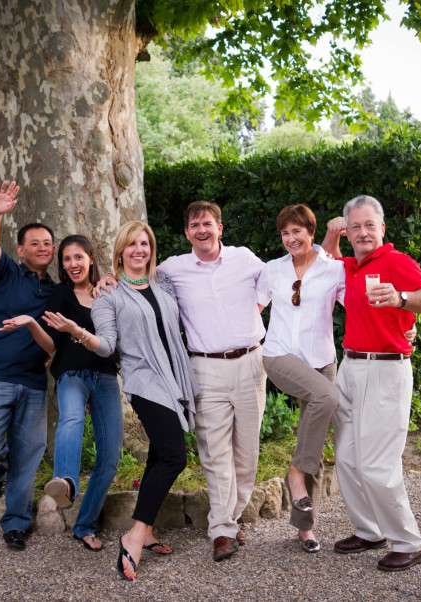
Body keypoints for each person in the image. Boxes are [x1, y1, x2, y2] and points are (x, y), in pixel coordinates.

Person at [57, 221, 197, 581]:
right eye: (132, 244)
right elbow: (106, 345)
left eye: (145, 243)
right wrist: (79, 333)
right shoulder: (109, 295)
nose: (139, 249)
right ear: (120, 250)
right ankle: (134, 535)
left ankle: (147, 533)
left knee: (157, 455)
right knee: (173, 455)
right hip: (145, 381)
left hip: (174, 378)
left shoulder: (162, 282)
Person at [322, 194, 421, 572]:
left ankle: (409, 540)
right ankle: (369, 530)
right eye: (354, 226)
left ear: (382, 228)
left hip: (387, 369)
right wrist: (331, 233)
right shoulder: (348, 267)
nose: (362, 233)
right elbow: (322, 263)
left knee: (377, 463)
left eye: (368, 225)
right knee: (346, 457)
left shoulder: (396, 262)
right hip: (351, 366)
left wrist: (401, 297)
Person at [156, 201, 267, 561]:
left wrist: (252, 316)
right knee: (215, 453)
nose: (201, 230)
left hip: (251, 362)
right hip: (204, 368)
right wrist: (110, 278)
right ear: (187, 233)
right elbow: (136, 274)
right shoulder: (173, 268)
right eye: (194, 225)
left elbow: (276, 282)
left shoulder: (246, 259)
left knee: (247, 454)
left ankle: (231, 518)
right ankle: (221, 531)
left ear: (220, 227)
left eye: (207, 223)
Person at [0, 234, 121, 552]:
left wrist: (111, 276)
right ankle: (66, 481)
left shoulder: (108, 291)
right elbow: (51, 344)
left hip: (107, 377)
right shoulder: (60, 295)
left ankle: (85, 525)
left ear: (91, 258)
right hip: (72, 375)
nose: (72, 264)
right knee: (71, 420)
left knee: (109, 458)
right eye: (66, 259)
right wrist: (31, 324)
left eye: (78, 257)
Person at [0, 181, 57, 551]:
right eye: (34, 243)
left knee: (29, 455)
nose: (42, 247)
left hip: (34, 384)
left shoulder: (57, 292)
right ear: (20, 250)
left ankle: (16, 522)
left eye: (47, 243)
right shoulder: (5, 274)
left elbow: (56, 344)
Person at [256, 204, 345, 554]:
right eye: (285, 233)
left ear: (311, 232)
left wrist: (404, 324)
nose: (291, 238)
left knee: (315, 446)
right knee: (328, 399)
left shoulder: (333, 269)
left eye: (297, 231)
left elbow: (358, 305)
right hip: (280, 354)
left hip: (322, 359)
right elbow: (253, 306)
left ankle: (305, 529)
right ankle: (295, 475)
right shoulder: (272, 270)